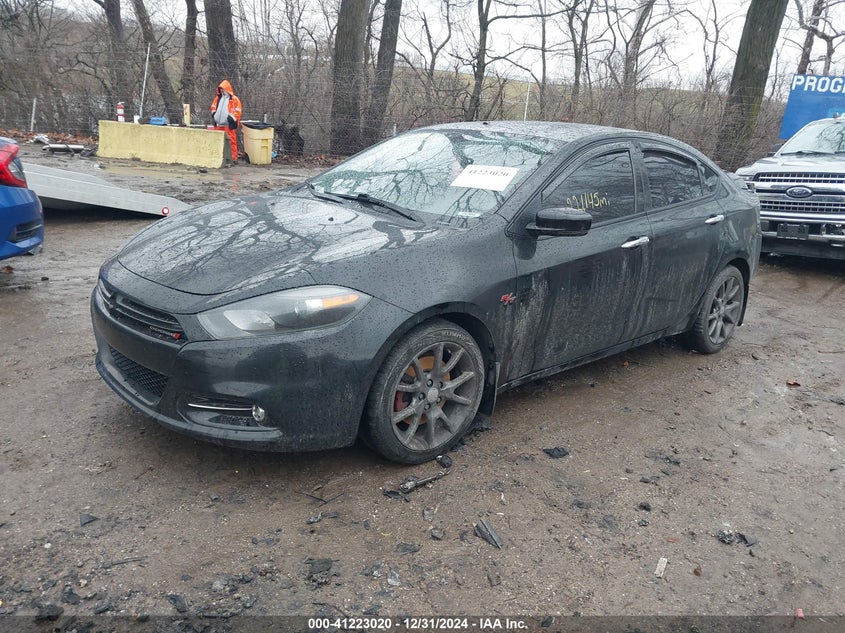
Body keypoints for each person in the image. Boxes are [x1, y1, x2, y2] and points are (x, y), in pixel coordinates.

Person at [210, 79, 242, 163]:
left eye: (223, 89)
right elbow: (213, 107)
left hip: (228, 124)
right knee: (218, 141)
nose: (222, 91)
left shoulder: (234, 99)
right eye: (221, 89)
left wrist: (232, 118)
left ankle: (233, 158)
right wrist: (214, 114)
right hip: (219, 123)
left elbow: (238, 110)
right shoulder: (218, 98)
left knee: (231, 141)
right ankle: (219, 157)